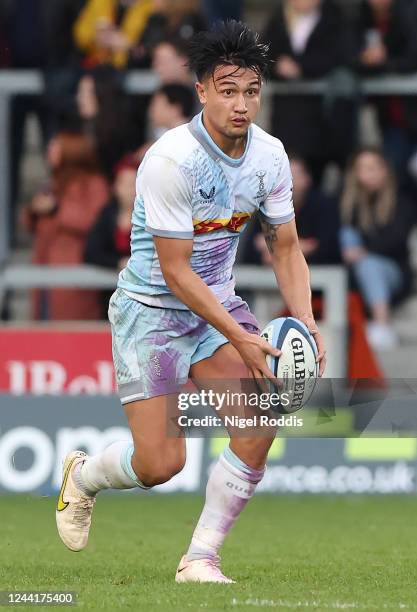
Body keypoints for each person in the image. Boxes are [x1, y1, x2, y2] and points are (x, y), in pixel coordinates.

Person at [55, 21, 326, 583]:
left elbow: (286, 247)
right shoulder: (171, 159)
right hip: (151, 313)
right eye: (227, 90)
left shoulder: (271, 157)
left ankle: (200, 558)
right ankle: (83, 476)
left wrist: (304, 318)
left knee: (259, 418)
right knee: (161, 464)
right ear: (201, 90)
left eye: (251, 91)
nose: (241, 103)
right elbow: (176, 273)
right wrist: (244, 338)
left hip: (214, 305)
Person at [21, 131, 109, 320]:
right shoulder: (53, 182)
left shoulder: (93, 183)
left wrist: (56, 208)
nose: (49, 152)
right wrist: (34, 211)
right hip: (44, 266)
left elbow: (94, 221)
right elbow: (31, 224)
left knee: (71, 329)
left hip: (74, 267)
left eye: (55, 147)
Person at [263, 0, 354, 183]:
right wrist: (278, 66)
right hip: (287, 115)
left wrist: (302, 67)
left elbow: (341, 56)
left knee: (316, 175)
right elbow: (264, 53)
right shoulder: (279, 18)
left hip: (323, 116)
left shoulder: (335, 18)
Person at [339, 148, 415, 350]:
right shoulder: (349, 203)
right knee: (346, 234)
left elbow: (396, 241)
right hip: (354, 272)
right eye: (362, 169)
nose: (367, 174)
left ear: (384, 170)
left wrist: (363, 251)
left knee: (368, 264)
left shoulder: (402, 201)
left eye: (372, 168)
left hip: (393, 272)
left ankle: (382, 324)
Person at [353, 0, 417, 183]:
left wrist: (383, 61)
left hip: (408, 111)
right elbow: (350, 56)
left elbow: (411, 57)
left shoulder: (408, 13)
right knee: (395, 175)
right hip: (394, 118)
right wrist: (366, 60)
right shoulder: (362, 18)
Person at [243, 156, 341, 266]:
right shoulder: (265, 206)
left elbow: (326, 247)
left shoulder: (324, 206)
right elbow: (254, 244)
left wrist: (278, 250)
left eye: (295, 176)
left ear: (307, 179)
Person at [84, 155, 138, 316]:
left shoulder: (151, 216)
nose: (130, 190)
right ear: (116, 187)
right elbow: (91, 252)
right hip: (108, 296)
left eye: (134, 183)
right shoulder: (107, 215)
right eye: (125, 184)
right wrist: (117, 262)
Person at [73, 0, 154, 69]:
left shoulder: (150, 8)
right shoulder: (103, 3)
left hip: (131, 67)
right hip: (96, 62)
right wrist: (95, 38)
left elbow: (149, 50)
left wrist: (128, 46)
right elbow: (80, 34)